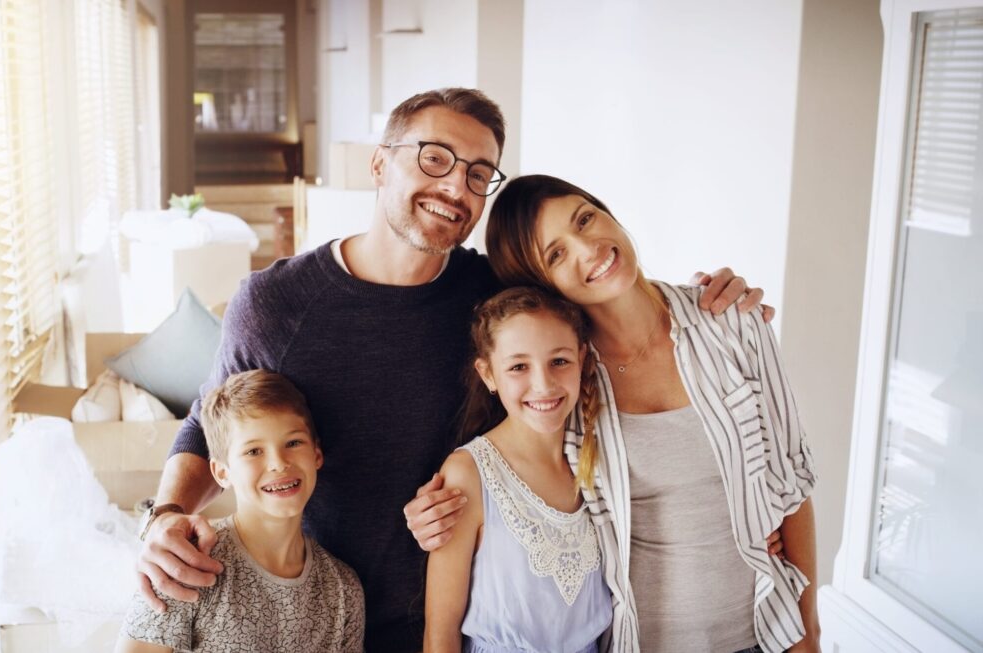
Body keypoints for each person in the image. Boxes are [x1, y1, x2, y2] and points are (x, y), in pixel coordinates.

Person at [135, 87, 765, 653]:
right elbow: (209, 421)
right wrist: (165, 518)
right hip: (327, 614)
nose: (455, 187)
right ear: (380, 163)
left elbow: (591, 298)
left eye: (478, 173)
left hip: (473, 621)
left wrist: (704, 301)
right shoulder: (275, 303)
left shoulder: (492, 296)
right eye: (433, 157)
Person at [410, 174, 818, 653]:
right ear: (544, 283)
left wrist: (808, 632)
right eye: (557, 254)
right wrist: (438, 511)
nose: (589, 248)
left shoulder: (731, 320)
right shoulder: (566, 382)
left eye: (585, 219)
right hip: (638, 642)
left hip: (766, 631)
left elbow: (793, 485)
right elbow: (518, 485)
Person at [425, 287, 615, 653]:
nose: (543, 385)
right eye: (518, 367)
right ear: (489, 374)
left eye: (559, 361)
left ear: (582, 358)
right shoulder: (469, 473)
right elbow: (440, 632)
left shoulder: (597, 460)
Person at [118, 369, 364, 652]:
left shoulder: (343, 588)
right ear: (222, 472)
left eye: (293, 443)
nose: (278, 463)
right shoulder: (182, 565)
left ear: (316, 455)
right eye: (253, 451)